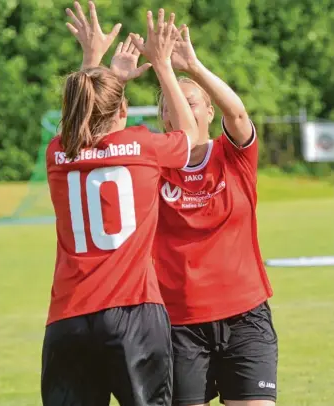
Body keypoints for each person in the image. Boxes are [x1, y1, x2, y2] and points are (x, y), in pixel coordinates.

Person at [74, 9, 278, 406]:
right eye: (167, 102)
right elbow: (93, 135)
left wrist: (193, 67)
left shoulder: (231, 155)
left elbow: (238, 114)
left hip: (245, 316)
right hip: (178, 324)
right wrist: (105, 71)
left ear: (207, 111)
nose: (175, 107)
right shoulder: (150, 162)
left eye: (189, 101)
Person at [42, 2, 199, 406]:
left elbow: (85, 113)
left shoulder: (57, 154)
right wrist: (163, 65)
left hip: (69, 318)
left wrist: (93, 61)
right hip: (132, 314)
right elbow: (191, 134)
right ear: (125, 111)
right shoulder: (143, 146)